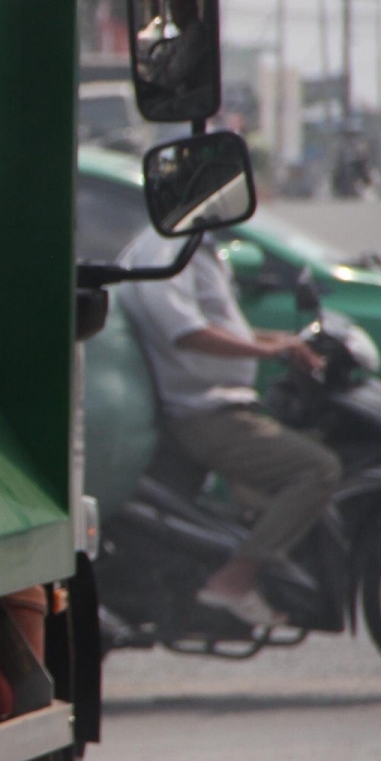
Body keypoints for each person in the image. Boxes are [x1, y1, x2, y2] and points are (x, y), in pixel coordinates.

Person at [116, 226, 339, 627]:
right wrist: (266, 349)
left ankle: (265, 561)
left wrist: (283, 343)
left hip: (224, 404)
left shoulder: (197, 247)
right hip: (206, 412)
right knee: (318, 468)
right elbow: (186, 332)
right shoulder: (168, 249)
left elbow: (220, 327)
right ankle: (237, 577)